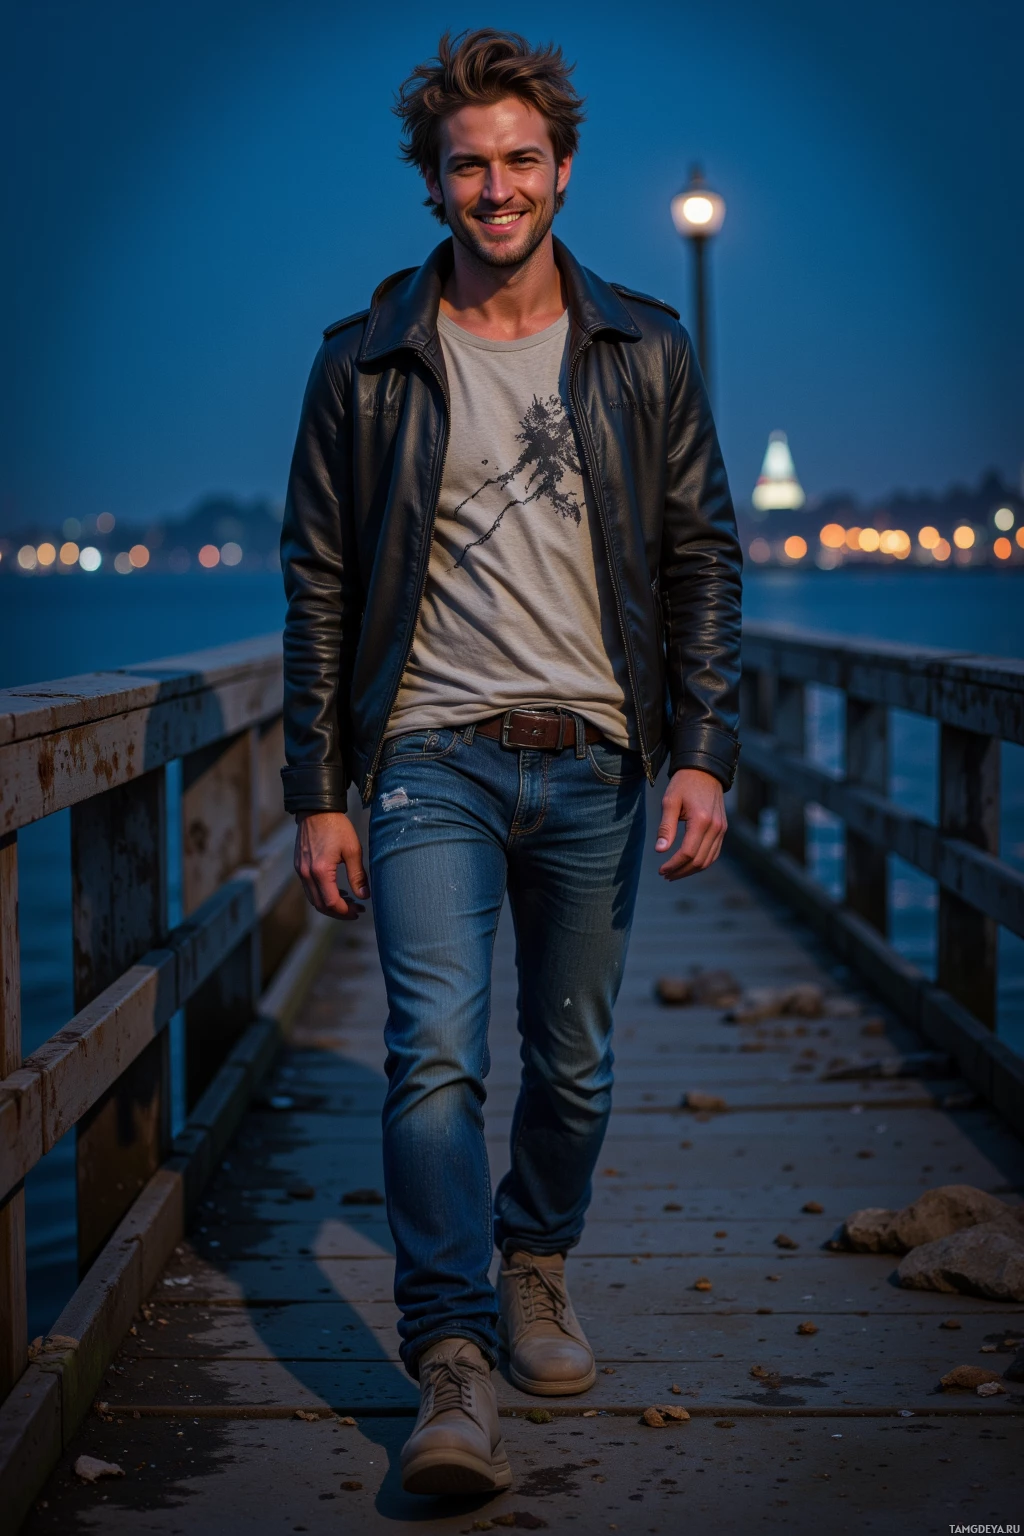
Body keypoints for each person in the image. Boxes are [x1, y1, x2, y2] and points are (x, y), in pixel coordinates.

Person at [280, 27, 742, 1498]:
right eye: (468, 164)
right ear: (433, 182)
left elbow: (699, 559)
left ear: (563, 168)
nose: (497, 188)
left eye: (521, 160)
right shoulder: (363, 365)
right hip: (430, 758)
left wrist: (702, 752)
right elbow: (319, 580)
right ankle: (454, 1352)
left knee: (579, 1065)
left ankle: (535, 1259)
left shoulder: (644, 348)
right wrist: (316, 789)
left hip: (601, 759)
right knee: (431, 1062)